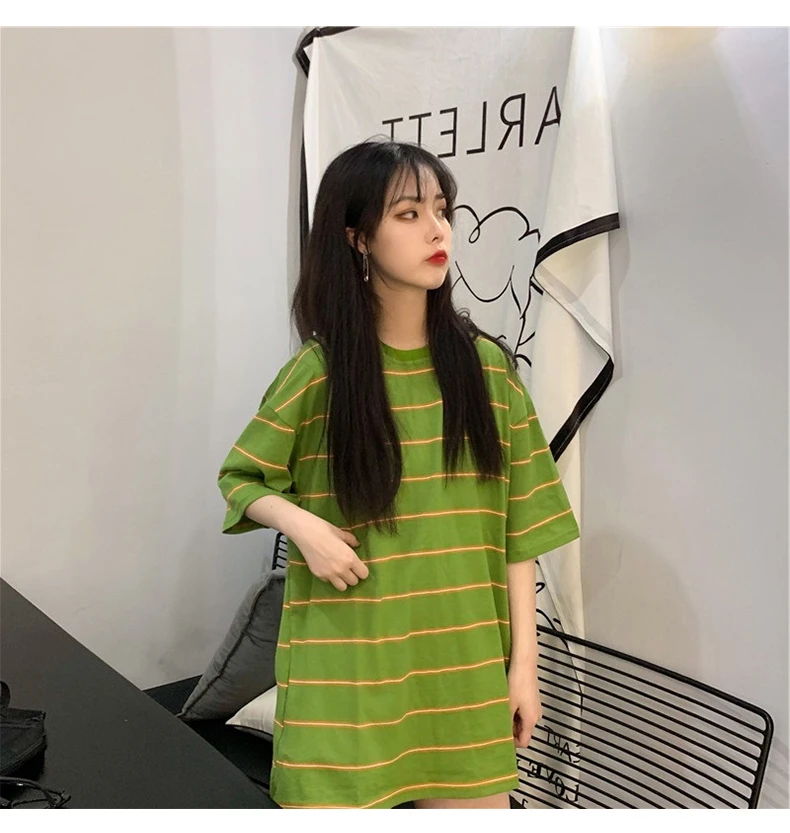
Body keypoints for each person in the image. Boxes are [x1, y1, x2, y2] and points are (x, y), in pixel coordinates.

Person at [217, 138, 580, 809]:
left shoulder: (488, 372)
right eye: (409, 214)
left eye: (441, 210)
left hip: (463, 679)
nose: (438, 229)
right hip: (346, 680)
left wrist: (524, 670)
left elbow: (521, 532)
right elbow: (241, 478)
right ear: (357, 238)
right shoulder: (321, 373)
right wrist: (303, 526)